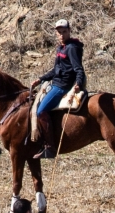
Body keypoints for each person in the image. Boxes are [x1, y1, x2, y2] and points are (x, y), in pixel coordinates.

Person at [30, 19, 86, 159]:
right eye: (59, 32)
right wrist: (41, 79)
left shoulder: (71, 48)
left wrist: (78, 83)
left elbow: (79, 69)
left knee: (41, 110)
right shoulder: (61, 47)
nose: (62, 35)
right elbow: (56, 70)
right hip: (55, 82)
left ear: (69, 31)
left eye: (64, 32)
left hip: (62, 86)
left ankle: (49, 147)